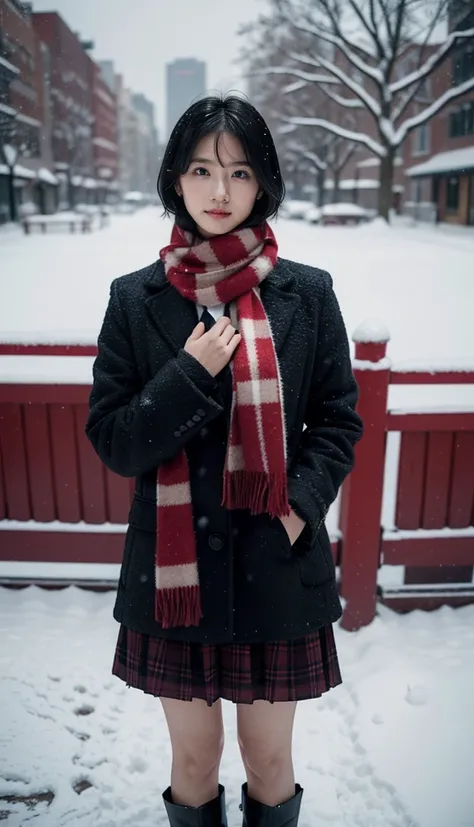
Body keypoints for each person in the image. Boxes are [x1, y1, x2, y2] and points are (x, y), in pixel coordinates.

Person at [85, 94, 363, 827]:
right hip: (177, 579)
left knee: (271, 763)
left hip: (278, 563)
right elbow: (116, 438)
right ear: (175, 178)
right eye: (202, 169)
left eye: (239, 173)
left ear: (262, 184)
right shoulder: (133, 300)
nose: (218, 191)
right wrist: (188, 374)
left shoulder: (308, 293)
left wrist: (300, 504)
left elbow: (339, 419)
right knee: (193, 764)